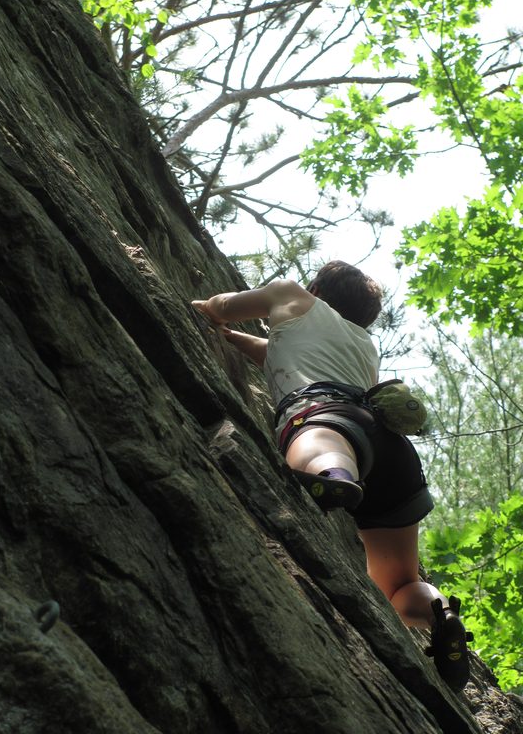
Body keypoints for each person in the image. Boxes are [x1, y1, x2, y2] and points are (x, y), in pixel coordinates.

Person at [193, 260, 473, 691]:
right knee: (400, 585)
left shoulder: (292, 295)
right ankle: (441, 613)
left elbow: (223, 306)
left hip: (325, 414)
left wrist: (208, 309)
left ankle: (331, 474)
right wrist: (240, 341)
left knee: (320, 438)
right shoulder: (364, 345)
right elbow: (282, 351)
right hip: (392, 450)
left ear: (317, 286)